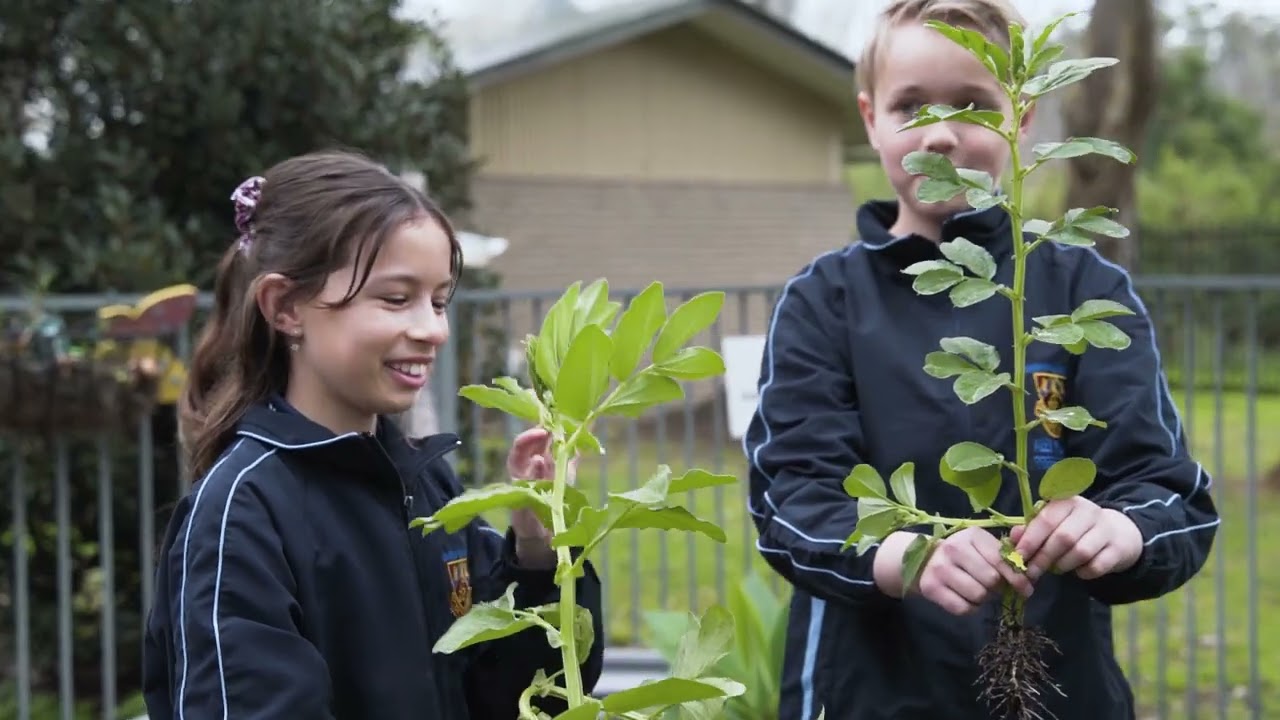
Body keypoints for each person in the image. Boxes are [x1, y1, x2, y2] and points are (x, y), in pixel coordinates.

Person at [743, 2, 1219, 719]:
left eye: (973, 104)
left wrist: (1122, 531)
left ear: (1021, 121)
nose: (941, 132)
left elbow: (1171, 496)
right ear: (870, 119)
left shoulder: (1086, 289)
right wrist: (909, 554)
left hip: (1058, 691)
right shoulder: (824, 302)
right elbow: (792, 504)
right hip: (865, 695)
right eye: (910, 106)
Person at [141, 149, 603, 720]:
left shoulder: (429, 486)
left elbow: (522, 696)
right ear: (285, 307)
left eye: (438, 301)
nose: (432, 329)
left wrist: (538, 551)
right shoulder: (242, 512)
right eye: (395, 298)